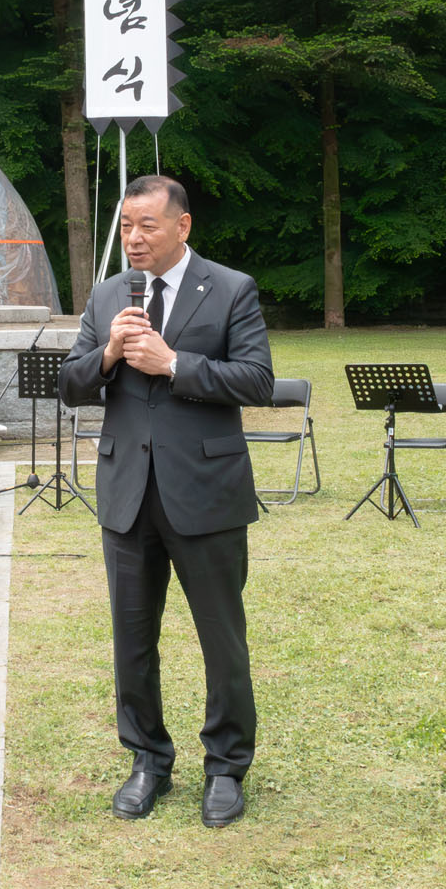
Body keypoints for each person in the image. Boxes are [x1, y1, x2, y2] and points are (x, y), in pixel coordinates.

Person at [59, 175, 275, 827]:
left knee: (221, 639)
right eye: (126, 225)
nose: (134, 237)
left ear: (182, 226)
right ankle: (147, 759)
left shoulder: (231, 289)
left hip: (205, 493)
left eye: (147, 225)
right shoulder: (107, 295)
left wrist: (174, 363)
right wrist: (109, 353)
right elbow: (70, 384)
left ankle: (226, 767)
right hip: (127, 494)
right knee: (132, 640)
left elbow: (257, 380)